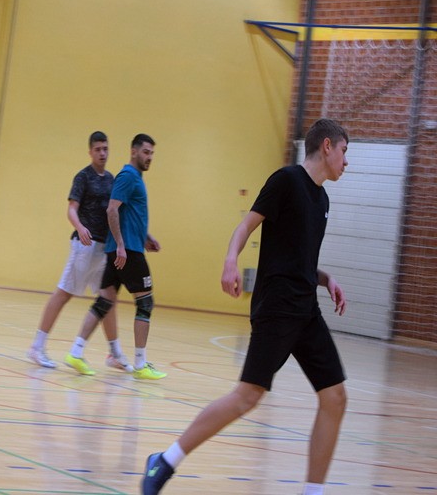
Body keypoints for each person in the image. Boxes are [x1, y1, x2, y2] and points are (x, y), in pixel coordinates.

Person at [141, 118, 350, 495]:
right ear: (327, 147)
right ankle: (166, 460)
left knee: (335, 397)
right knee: (247, 396)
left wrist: (325, 279)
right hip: (277, 308)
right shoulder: (286, 181)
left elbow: (299, 259)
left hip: (306, 310)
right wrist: (230, 260)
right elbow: (246, 226)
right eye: (345, 151)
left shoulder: (322, 200)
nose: (346, 162)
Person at [27, 131, 133, 372]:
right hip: (84, 246)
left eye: (105, 149)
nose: (102, 153)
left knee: (108, 298)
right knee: (64, 293)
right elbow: (71, 209)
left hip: (103, 248)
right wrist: (80, 227)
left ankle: (115, 354)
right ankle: (37, 346)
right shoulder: (83, 177)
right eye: (98, 149)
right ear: (90, 151)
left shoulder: (111, 179)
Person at [64, 133, 166, 379]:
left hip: (125, 247)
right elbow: (112, 209)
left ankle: (76, 352)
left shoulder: (134, 177)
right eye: (145, 152)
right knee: (145, 303)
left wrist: (145, 236)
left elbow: (129, 215)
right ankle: (140, 364)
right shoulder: (128, 176)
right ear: (133, 151)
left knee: (104, 302)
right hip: (127, 251)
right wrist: (121, 244)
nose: (149, 157)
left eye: (152, 153)